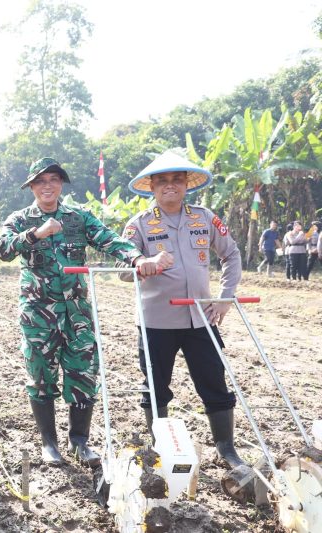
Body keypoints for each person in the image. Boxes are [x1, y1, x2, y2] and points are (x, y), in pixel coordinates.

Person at [0, 157, 167, 466]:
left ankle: (79, 442)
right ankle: (49, 444)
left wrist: (137, 258)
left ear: (61, 184)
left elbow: (110, 240)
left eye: (54, 180)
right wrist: (36, 234)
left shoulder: (78, 218)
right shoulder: (20, 219)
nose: (48, 186)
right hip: (37, 314)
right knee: (41, 375)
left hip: (77, 313)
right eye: (41, 181)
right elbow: (2, 250)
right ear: (32, 186)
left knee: (83, 373)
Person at [122, 151, 245, 468]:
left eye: (177, 179)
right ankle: (159, 448)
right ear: (152, 187)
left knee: (214, 382)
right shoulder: (138, 226)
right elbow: (122, 269)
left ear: (186, 184)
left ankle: (226, 449)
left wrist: (224, 297)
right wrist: (144, 267)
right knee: (155, 388)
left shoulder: (204, 218)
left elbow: (231, 255)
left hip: (201, 318)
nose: (170, 186)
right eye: (162, 181)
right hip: (156, 322)